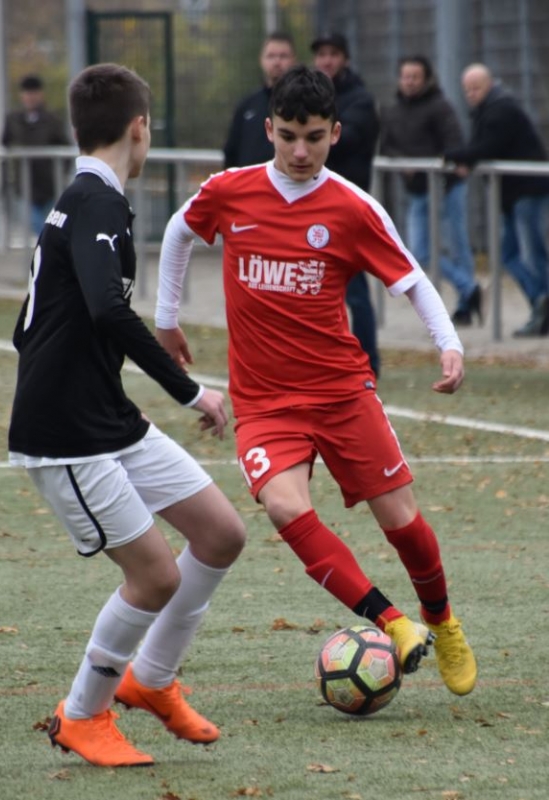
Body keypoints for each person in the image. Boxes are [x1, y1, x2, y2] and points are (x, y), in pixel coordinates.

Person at [154, 65, 477, 698]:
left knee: (402, 521)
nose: (300, 151)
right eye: (288, 137)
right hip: (265, 404)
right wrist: (166, 320)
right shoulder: (231, 191)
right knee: (284, 506)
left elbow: (411, 279)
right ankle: (394, 623)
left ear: (335, 133)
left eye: (313, 138)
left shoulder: (353, 207)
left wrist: (450, 345)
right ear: (269, 130)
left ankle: (442, 620)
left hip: (341, 391)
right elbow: (177, 231)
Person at [7, 63, 246, 768]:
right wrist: (189, 390)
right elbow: (107, 309)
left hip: (104, 415)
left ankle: (154, 680)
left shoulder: (82, 200)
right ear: (140, 128)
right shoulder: (96, 203)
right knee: (155, 578)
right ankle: (83, 714)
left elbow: (34, 328)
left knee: (220, 534)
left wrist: (96, 384)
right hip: (65, 436)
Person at [445, 63, 549, 337]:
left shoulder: (501, 109)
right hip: (514, 194)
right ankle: (540, 302)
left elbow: (488, 146)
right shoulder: (488, 111)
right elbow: (485, 147)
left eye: (476, 88)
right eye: (467, 89)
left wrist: (456, 156)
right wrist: (468, 158)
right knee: (508, 254)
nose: (471, 94)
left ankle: (542, 305)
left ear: (489, 84)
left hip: (529, 190)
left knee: (533, 253)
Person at [381, 55, 481, 326]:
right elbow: (386, 146)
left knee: (458, 245)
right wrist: (404, 163)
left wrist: (433, 163)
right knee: (420, 252)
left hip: (446, 187)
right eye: (406, 76)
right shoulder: (393, 110)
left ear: (426, 79)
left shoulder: (440, 107)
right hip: (418, 191)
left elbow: (454, 143)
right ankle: (469, 288)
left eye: (415, 77)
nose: (410, 82)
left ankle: (465, 306)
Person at [311, 32, 381, 377]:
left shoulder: (360, 99)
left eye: (333, 54)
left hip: (346, 208)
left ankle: (368, 363)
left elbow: (351, 139)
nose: (327, 60)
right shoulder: (310, 95)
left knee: (354, 291)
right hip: (312, 207)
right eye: (322, 54)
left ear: (345, 59)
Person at [2, 74, 70, 236]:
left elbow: (65, 148)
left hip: (48, 184)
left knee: (51, 223)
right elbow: (5, 145)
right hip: (24, 183)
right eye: (27, 93)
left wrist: (60, 174)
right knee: (34, 222)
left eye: (34, 93)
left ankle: (48, 247)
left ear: (41, 94)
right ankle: (47, 246)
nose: (30, 97)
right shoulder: (13, 120)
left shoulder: (52, 120)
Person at [223, 31, 297, 169]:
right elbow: (231, 154)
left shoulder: (304, 104)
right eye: (271, 56)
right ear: (261, 60)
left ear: (293, 60)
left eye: (283, 56)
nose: (277, 62)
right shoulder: (246, 106)